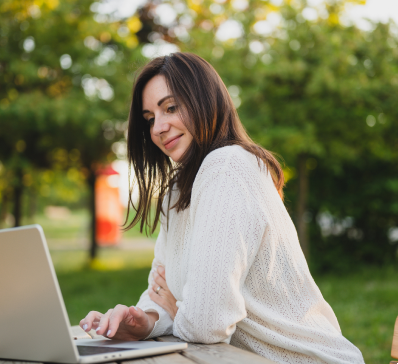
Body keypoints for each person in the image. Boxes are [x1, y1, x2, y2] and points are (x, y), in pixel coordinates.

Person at [80, 52, 365, 364]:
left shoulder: (227, 167)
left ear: (205, 101)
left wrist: (181, 310)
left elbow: (205, 324)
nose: (158, 128)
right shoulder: (176, 192)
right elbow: (162, 289)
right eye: (150, 118)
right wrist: (144, 321)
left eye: (171, 108)